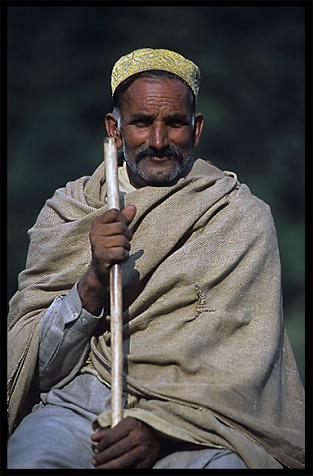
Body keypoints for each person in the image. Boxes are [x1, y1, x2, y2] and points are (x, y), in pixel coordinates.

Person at [7, 48, 305, 470]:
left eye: (175, 124)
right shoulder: (70, 212)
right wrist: (93, 279)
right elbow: (38, 372)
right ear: (114, 129)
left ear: (196, 129)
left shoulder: (239, 216)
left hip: (198, 427)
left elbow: (246, 367)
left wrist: (161, 430)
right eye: (142, 123)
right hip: (79, 408)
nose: (159, 141)